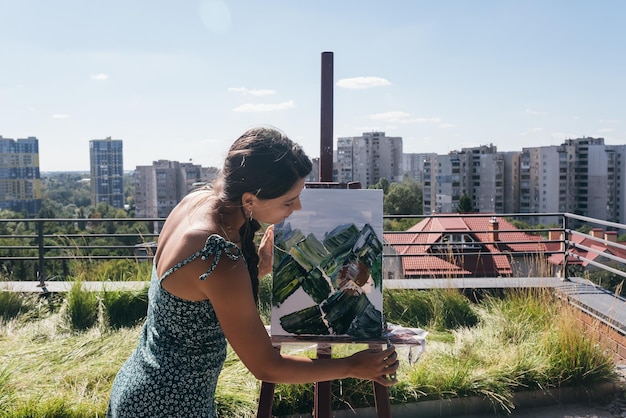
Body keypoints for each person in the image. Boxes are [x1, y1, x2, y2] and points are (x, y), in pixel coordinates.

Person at [106, 127, 398, 417]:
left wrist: (259, 268)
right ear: (249, 200)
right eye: (288, 200)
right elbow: (266, 367)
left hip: (142, 386)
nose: (297, 207)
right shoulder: (220, 259)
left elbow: (199, 295)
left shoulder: (194, 203)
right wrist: (351, 365)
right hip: (168, 406)